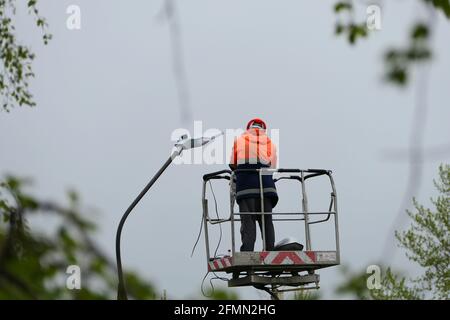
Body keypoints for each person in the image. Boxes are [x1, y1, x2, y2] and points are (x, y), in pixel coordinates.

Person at [229, 118, 278, 251]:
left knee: (248, 221)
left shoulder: (239, 141)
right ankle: (269, 251)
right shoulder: (271, 144)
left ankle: (247, 251)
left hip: (246, 187)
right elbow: (272, 168)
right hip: (267, 188)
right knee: (266, 221)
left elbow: (233, 165)